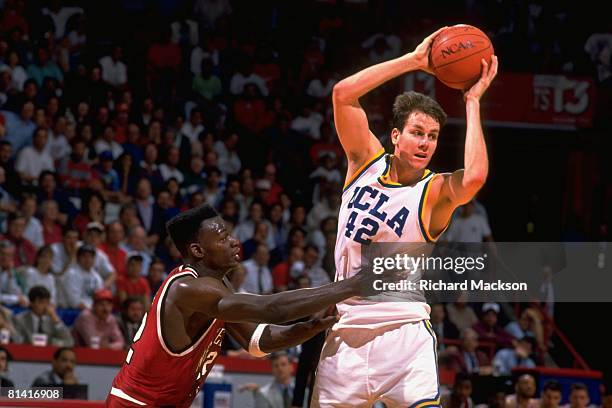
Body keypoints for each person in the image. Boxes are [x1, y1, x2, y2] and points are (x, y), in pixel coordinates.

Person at [311, 27, 498, 407]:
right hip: (345, 332)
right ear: (395, 136)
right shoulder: (364, 162)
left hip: (404, 331)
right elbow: (343, 94)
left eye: (432, 136)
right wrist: (414, 61)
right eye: (416, 132)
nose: (425, 143)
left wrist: (473, 102)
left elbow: (475, 176)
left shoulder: (434, 192)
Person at [107, 203, 388, 407]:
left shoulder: (217, 286)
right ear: (197, 251)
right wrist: (353, 285)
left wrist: (311, 327)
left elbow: (258, 341)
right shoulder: (188, 288)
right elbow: (270, 308)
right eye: (223, 238)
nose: (234, 242)